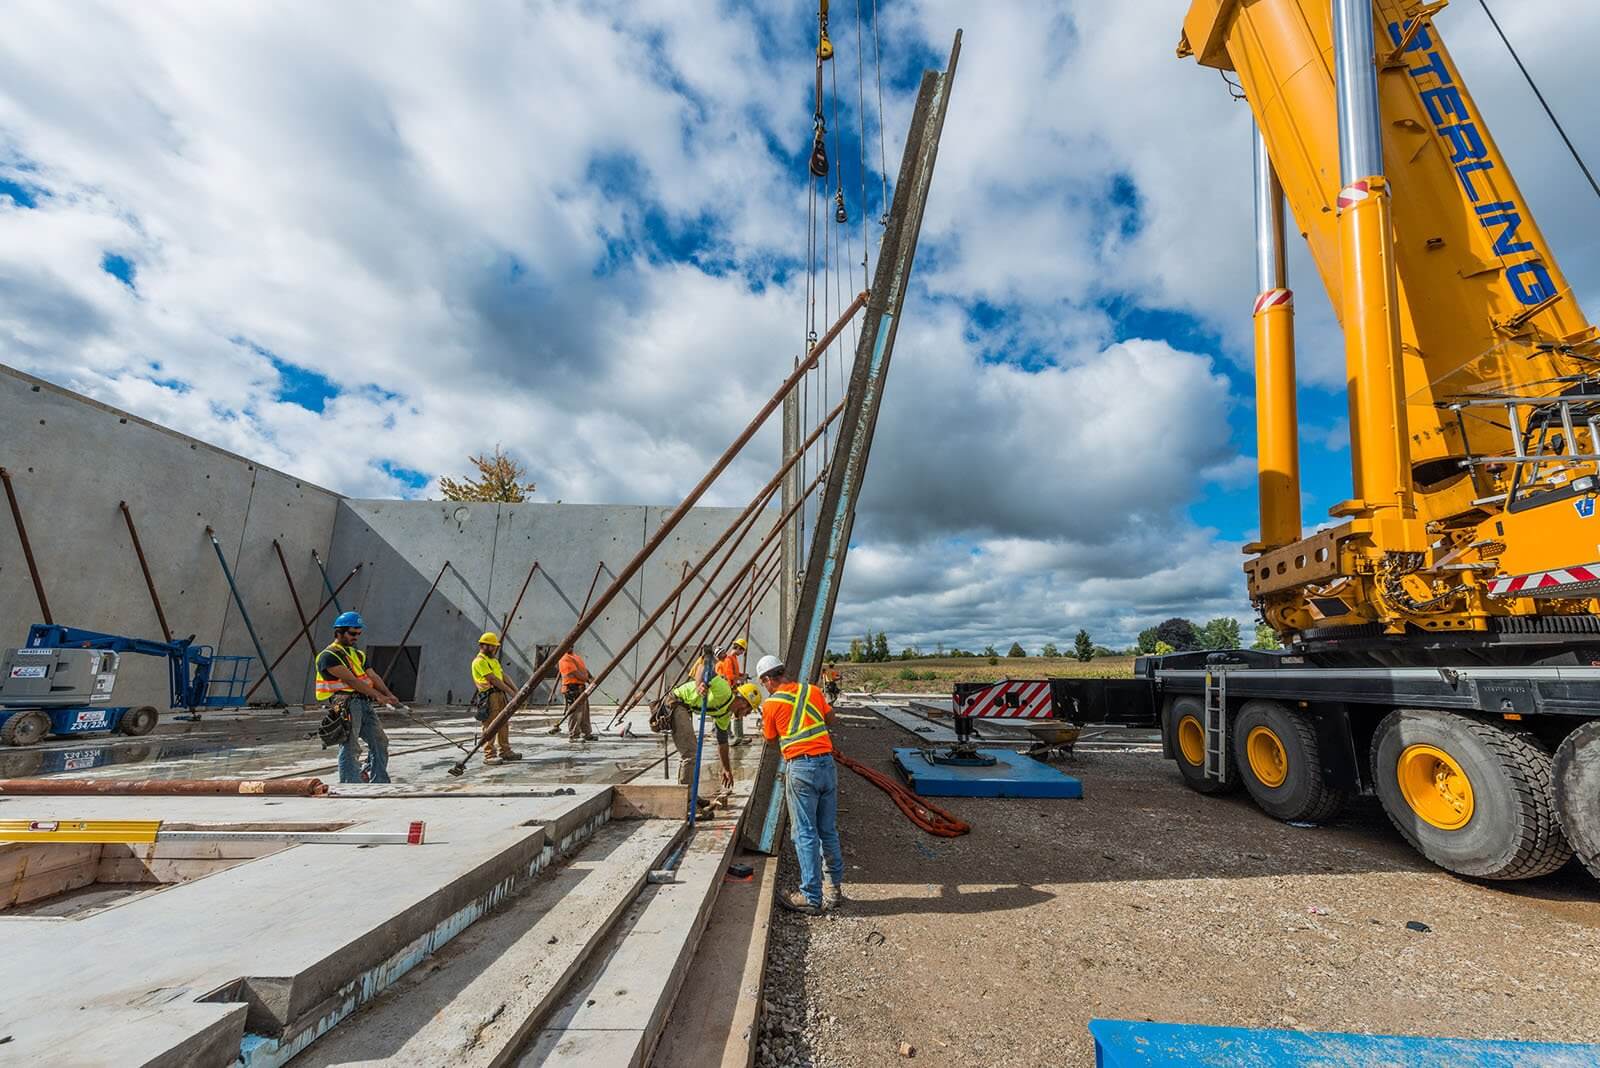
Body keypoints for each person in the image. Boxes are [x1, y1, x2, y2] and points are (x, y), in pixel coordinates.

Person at [757, 654, 843, 915]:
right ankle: (834, 889)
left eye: (763, 684)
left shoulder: (772, 704)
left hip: (801, 768)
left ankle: (811, 897)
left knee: (804, 833)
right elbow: (831, 719)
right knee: (827, 830)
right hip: (827, 766)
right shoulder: (812, 691)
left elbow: (770, 739)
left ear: (767, 680)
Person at [315, 611, 400, 784]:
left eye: (359, 634)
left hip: (363, 702)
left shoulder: (358, 654)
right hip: (346, 703)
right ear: (339, 632)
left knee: (380, 742)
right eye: (352, 633)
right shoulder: (328, 656)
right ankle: (350, 783)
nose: (356, 637)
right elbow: (351, 681)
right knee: (350, 745)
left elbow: (373, 676)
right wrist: (378, 696)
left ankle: (379, 781)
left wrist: (389, 695)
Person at [665, 675, 758, 811]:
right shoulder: (723, 690)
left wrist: (726, 769)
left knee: (693, 753)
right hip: (675, 702)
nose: (746, 715)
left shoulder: (724, 714)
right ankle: (687, 802)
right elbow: (703, 667)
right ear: (744, 703)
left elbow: (723, 743)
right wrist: (699, 685)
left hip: (684, 707)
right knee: (690, 753)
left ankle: (691, 796)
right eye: (748, 711)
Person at [471, 631, 522, 765]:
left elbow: (503, 676)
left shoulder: (493, 661)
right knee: (490, 724)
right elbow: (492, 679)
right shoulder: (479, 661)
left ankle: (505, 751)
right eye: (492, 646)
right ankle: (489, 755)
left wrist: (516, 690)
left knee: (503, 722)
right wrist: (511, 692)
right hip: (489, 696)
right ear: (484, 646)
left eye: (495, 646)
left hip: (500, 695)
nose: (494, 648)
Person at [716, 637, 752, 745]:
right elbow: (730, 676)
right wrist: (740, 679)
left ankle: (739, 737)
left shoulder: (734, 658)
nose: (742, 653)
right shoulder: (728, 659)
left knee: (737, 712)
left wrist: (742, 675)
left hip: (733, 688)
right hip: (728, 690)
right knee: (729, 712)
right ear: (738, 648)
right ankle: (731, 737)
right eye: (742, 650)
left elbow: (735, 673)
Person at [558, 647, 597, 741]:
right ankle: (574, 735)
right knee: (575, 713)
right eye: (568, 645)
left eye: (571, 645)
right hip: (572, 688)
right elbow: (575, 673)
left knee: (584, 712)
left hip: (580, 688)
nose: (570, 647)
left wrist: (591, 679)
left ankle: (586, 733)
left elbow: (584, 669)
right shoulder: (564, 658)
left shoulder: (575, 657)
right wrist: (586, 679)